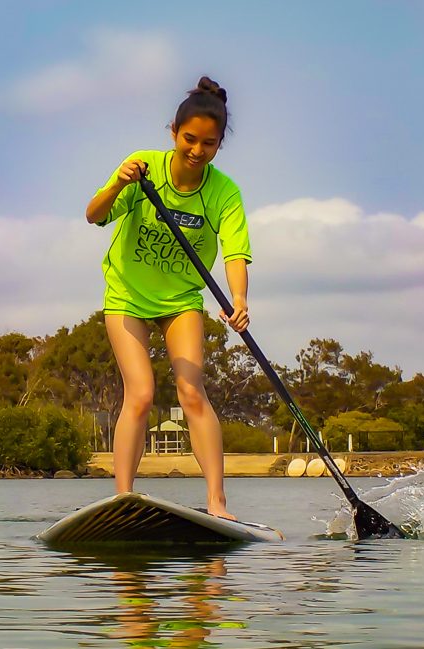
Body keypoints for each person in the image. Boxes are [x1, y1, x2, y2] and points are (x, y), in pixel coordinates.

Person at [86, 76, 251, 520]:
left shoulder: (224, 191)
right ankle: (123, 500)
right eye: (190, 140)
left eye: (209, 144)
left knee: (191, 391)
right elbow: (93, 215)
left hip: (180, 298)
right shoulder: (142, 167)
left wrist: (238, 299)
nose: (198, 151)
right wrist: (119, 184)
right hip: (127, 292)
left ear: (219, 145)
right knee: (139, 394)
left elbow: (236, 252)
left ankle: (217, 503)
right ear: (174, 133)